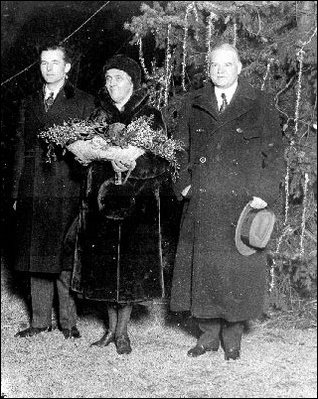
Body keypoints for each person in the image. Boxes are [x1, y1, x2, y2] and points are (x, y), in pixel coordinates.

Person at [170, 43, 285, 360]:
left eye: (227, 65)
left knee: (236, 271)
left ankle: (232, 340)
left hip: (242, 203)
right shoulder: (193, 102)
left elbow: (275, 155)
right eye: (214, 65)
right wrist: (184, 185)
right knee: (204, 269)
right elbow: (178, 150)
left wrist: (265, 192)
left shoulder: (260, 103)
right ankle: (207, 336)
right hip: (203, 200)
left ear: (239, 68)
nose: (220, 71)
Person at [70, 54, 173, 354]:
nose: (112, 83)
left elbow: (161, 161)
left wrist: (129, 165)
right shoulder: (97, 116)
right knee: (104, 270)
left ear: (132, 82)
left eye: (119, 78)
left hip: (136, 205)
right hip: (100, 205)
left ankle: (122, 333)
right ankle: (110, 330)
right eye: (108, 78)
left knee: (128, 270)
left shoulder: (150, 116)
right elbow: (82, 162)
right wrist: (94, 157)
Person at [12, 43, 95, 339]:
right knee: (37, 255)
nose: (49, 68)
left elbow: (91, 151)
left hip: (67, 187)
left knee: (64, 256)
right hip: (34, 187)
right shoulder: (29, 102)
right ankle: (38, 321)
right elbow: (21, 148)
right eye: (44, 63)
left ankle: (68, 323)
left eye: (55, 62)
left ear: (67, 67)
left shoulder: (84, 102)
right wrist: (16, 193)